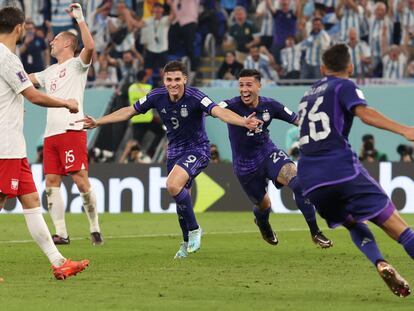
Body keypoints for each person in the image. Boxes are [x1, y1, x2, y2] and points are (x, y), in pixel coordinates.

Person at [79, 60, 262, 259]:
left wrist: (243, 121)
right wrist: (98, 121)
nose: (173, 84)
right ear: (164, 80)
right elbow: (129, 111)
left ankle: (194, 230)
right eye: (169, 79)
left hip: (198, 149)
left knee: (172, 185)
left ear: (185, 79)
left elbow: (219, 112)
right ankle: (185, 243)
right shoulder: (156, 96)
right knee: (182, 201)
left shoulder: (196, 97)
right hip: (174, 152)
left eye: (177, 79)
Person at [297, 43, 414, 297]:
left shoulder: (307, 94)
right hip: (341, 170)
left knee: (352, 223)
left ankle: (379, 261)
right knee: (400, 229)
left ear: (322, 68)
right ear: (351, 67)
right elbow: (365, 114)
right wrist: (405, 130)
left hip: (310, 180)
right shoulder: (344, 85)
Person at [0, 6, 88, 280]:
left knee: (32, 201)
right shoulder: (8, 58)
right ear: (19, 28)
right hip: (5, 145)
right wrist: (66, 102)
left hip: (15, 145)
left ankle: (58, 261)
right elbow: (34, 96)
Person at [219, 69, 332, 248]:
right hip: (245, 166)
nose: (244, 89)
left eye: (249, 85)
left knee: (298, 182)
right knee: (264, 205)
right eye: (241, 85)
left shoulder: (270, 106)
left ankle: (315, 232)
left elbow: (298, 120)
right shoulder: (231, 105)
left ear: (259, 86)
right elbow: (215, 111)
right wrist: (242, 121)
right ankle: (263, 224)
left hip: (267, 152)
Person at [28, 3, 103, 246]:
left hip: (72, 129)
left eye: (56, 40)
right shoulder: (49, 71)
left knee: (80, 179)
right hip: (50, 135)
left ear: (68, 44)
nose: (51, 42)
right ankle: (61, 233)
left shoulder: (77, 65)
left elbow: (90, 46)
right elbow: (26, 79)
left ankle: (94, 227)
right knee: (51, 182)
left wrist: (80, 19)